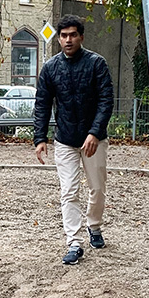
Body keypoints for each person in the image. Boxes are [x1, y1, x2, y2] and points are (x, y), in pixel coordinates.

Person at [33, 14, 114, 265]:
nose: (68, 40)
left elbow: (105, 100)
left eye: (72, 35)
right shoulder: (50, 68)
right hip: (65, 139)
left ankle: (94, 224)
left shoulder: (96, 64)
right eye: (63, 35)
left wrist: (95, 132)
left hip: (94, 138)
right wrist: (40, 137)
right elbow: (43, 104)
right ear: (58, 38)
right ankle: (74, 242)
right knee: (69, 190)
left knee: (97, 187)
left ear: (81, 37)